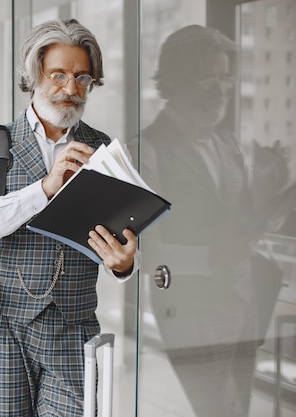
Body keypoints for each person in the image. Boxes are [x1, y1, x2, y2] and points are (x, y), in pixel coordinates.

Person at [0, 19, 140, 416]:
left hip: (73, 327)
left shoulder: (103, 149)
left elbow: (120, 237)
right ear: (34, 74)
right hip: (2, 325)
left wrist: (124, 265)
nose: (71, 89)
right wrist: (43, 190)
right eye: (58, 75)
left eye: (82, 78)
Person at [127, 25, 292, 417]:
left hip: (243, 302)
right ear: (176, 80)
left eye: (225, 78)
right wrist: (210, 257)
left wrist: (274, 184)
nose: (221, 89)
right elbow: (144, 251)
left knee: (239, 409)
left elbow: (247, 219)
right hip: (190, 311)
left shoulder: (228, 142)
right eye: (207, 78)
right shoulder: (145, 150)